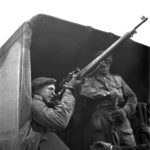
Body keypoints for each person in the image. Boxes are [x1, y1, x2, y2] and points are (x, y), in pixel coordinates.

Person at [79, 51, 137, 148]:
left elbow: (132, 97)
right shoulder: (89, 80)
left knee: (130, 146)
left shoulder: (118, 79)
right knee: (102, 147)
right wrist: (108, 93)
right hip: (101, 119)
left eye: (108, 62)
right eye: (102, 62)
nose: (105, 64)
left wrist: (125, 111)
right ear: (97, 64)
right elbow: (84, 91)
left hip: (120, 118)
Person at [21, 76, 81, 150]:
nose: (54, 93)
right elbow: (61, 121)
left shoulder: (42, 104)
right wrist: (68, 91)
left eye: (54, 90)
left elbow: (67, 118)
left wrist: (59, 103)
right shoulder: (35, 103)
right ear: (37, 90)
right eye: (50, 89)